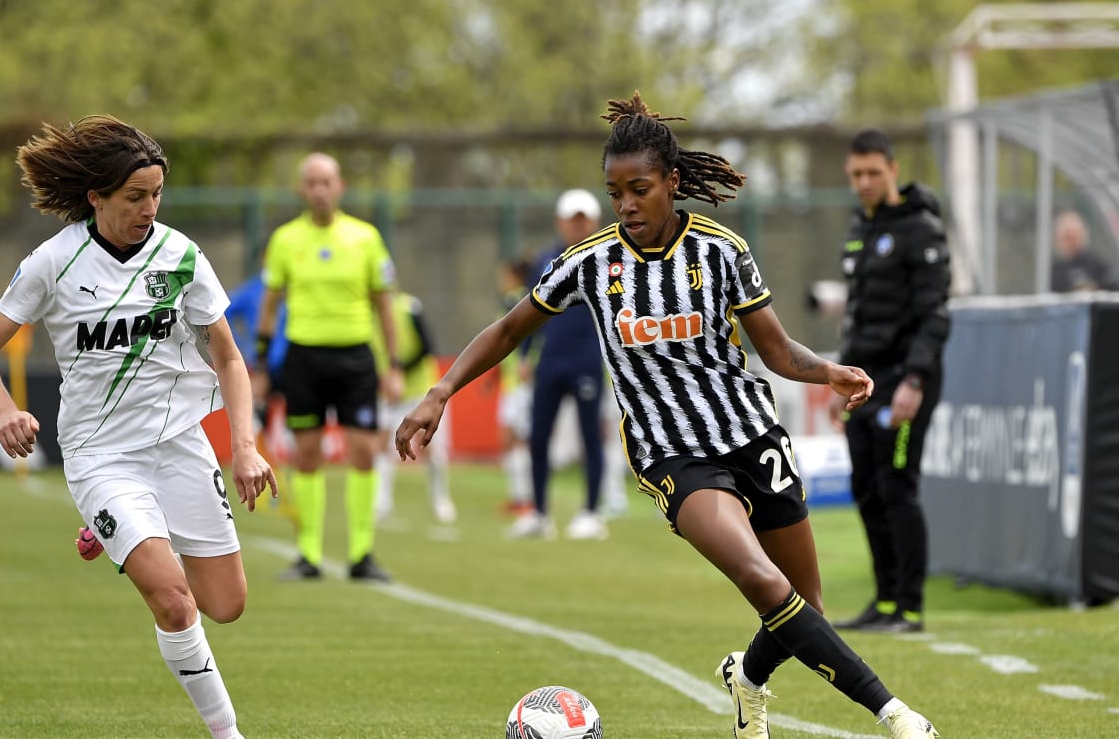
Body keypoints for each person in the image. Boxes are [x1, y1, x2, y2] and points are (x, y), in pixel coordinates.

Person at [395, 92, 939, 739]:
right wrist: (440, 391)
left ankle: (749, 679)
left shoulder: (722, 251)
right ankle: (896, 715)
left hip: (752, 435)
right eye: (615, 191)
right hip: (673, 455)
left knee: (804, 605)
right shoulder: (590, 262)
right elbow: (510, 329)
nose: (626, 205)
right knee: (762, 580)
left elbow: (773, 349)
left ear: (672, 183)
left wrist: (826, 371)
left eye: (640, 189)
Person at [0, 115, 275, 739]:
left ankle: (118, 534)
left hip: (181, 446)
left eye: (157, 194)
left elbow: (229, 357)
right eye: (135, 197)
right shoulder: (53, 262)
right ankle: (228, 734)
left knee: (226, 605)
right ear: (96, 197)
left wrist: (244, 447)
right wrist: (5, 411)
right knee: (174, 601)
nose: (149, 208)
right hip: (101, 457)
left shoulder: (181, 256)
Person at [253, 151, 402, 582]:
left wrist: (392, 365)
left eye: (327, 182)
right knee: (308, 454)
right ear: (302, 189)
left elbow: (384, 306)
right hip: (304, 358)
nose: (319, 190)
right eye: (312, 182)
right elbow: (269, 305)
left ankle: (361, 554)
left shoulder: (366, 238)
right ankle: (309, 555)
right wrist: (261, 364)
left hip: (355, 357)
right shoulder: (285, 240)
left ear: (340, 188)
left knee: (363, 451)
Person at [831, 128, 950, 636]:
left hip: (906, 379)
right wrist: (841, 381)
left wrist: (915, 381)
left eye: (873, 173)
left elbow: (935, 317)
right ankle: (883, 601)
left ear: (893, 170)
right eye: (856, 174)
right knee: (866, 488)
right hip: (866, 381)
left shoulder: (922, 229)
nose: (864, 182)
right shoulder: (860, 226)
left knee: (898, 487)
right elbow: (857, 317)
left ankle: (910, 608)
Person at [508, 189, 610, 541]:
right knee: (538, 437)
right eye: (572, 219)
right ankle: (539, 512)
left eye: (583, 219)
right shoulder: (544, 261)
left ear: (594, 222)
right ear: (560, 221)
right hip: (550, 361)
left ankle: (591, 513)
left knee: (590, 437)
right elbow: (527, 314)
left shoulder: (608, 260)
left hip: (587, 360)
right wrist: (524, 356)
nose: (577, 226)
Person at [372, 290, 455, 525]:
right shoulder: (366, 315)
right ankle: (381, 503)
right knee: (381, 445)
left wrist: (398, 371)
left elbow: (427, 346)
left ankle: (441, 500)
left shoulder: (410, 307)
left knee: (431, 447)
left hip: (422, 391)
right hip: (388, 395)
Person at [496, 257, 535, 517]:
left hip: (521, 384)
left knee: (517, 439)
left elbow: (526, 333)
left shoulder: (517, 299)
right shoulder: (517, 299)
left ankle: (525, 498)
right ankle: (519, 496)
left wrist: (525, 360)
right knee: (512, 439)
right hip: (513, 383)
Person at [1050, 209, 1117, 293]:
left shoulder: (1096, 264)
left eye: (1075, 236)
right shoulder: (1055, 271)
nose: (1072, 242)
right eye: (1067, 237)